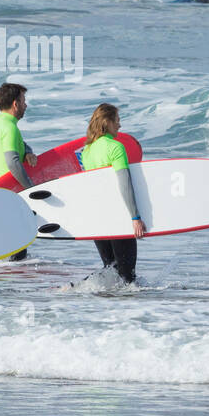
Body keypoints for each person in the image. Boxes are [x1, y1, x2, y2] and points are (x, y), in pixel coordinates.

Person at [79, 103, 145, 283]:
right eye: (117, 120)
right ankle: (76, 286)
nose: (120, 125)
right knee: (127, 277)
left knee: (112, 270)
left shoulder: (87, 151)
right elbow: (125, 184)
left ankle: (85, 293)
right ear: (107, 122)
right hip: (117, 217)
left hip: (98, 219)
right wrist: (135, 217)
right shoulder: (115, 147)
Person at [0, 82, 37, 259]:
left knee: (11, 247)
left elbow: (20, 146)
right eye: (23, 101)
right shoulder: (10, 128)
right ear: (15, 104)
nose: (26, 105)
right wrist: (31, 189)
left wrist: (28, 152)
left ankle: (7, 283)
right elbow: (12, 161)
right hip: (10, 196)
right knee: (18, 249)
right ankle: (16, 285)